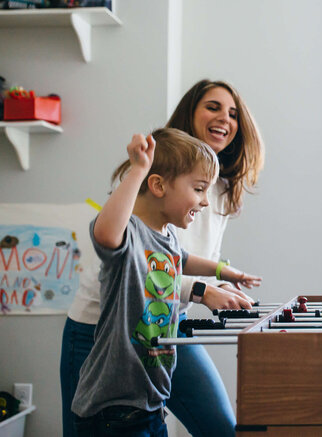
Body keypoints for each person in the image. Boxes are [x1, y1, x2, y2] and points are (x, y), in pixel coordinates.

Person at [61, 80, 265, 437]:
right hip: (104, 330)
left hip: (168, 322)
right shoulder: (147, 178)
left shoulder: (217, 191)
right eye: (213, 107)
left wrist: (220, 272)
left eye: (233, 113)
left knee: (217, 428)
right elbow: (137, 259)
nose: (225, 119)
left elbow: (178, 256)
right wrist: (204, 291)